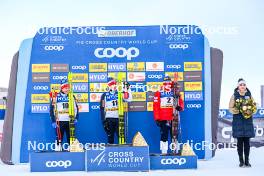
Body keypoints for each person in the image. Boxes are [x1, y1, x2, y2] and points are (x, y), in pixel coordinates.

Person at [229, 78, 257, 167]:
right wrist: (239, 110)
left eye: (244, 85)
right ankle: (241, 161)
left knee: (247, 144)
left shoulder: (249, 95)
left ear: (246, 86)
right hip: (238, 122)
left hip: (248, 122)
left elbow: (254, 107)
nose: (242, 86)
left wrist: (249, 111)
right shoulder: (234, 95)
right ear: (238, 86)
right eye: (241, 85)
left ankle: (247, 161)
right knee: (240, 143)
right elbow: (230, 108)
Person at [153, 75, 184, 154]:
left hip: (174, 117)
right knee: (164, 135)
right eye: (166, 81)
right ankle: (164, 152)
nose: (167, 83)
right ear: (163, 82)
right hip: (163, 118)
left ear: (171, 82)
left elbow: (180, 101)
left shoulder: (175, 90)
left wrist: (180, 107)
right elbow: (156, 106)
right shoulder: (159, 92)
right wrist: (157, 118)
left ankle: (175, 151)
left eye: (169, 81)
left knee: (174, 136)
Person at [100, 77, 132, 144]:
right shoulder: (104, 95)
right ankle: (110, 151)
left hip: (119, 117)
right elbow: (102, 109)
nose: (114, 86)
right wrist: (103, 121)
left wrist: (127, 89)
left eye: (115, 84)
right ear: (108, 86)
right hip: (109, 118)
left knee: (121, 136)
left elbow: (128, 99)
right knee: (110, 136)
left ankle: (123, 151)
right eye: (111, 84)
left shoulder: (120, 93)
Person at [50, 79, 79, 150]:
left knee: (71, 137)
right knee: (59, 137)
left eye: (68, 88)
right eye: (65, 88)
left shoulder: (72, 96)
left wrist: (76, 118)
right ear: (62, 88)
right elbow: (51, 109)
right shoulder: (55, 97)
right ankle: (58, 150)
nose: (67, 89)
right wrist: (53, 121)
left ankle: (72, 150)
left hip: (70, 120)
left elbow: (76, 108)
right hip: (59, 120)